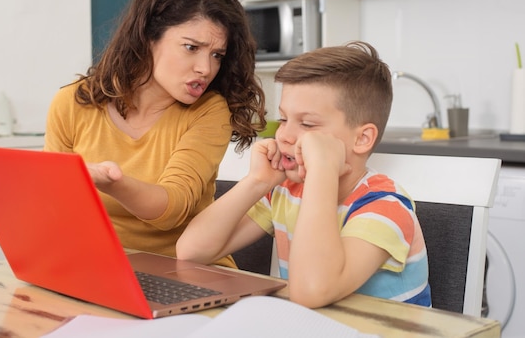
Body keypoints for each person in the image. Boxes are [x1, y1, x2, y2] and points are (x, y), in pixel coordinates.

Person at [177, 41, 432, 308]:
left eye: (308, 124)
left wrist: (323, 169)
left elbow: (311, 291)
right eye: (284, 119)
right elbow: (191, 252)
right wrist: (257, 182)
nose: (284, 135)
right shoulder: (287, 190)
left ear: (362, 138)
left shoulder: (385, 206)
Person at [44, 0, 266, 268]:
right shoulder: (73, 102)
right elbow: (54, 206)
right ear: (149, 37)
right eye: (192, 48)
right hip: (101, 268)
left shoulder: (209, 111)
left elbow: (172, 208)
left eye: (216, 55)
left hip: (187, 272)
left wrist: (111, 182)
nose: (205, 68)